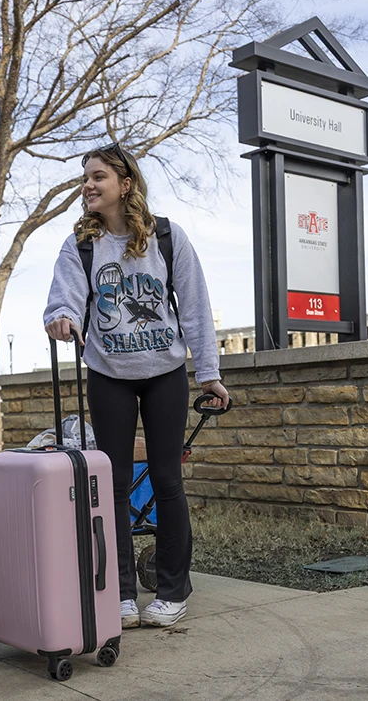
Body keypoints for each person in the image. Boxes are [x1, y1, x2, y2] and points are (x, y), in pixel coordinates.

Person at [43, 143, 229, 629]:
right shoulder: (80, 246)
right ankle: (121, 593)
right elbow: (62, 299)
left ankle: (171, 591)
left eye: (98, 177)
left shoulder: (167, 237)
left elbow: (194, 307)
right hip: (108, 376)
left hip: (165, 373)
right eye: (85, 177)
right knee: (115, 486)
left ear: (125, 185)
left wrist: (208, 374)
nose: (88, 185)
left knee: (167, 481)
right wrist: (62, 319)